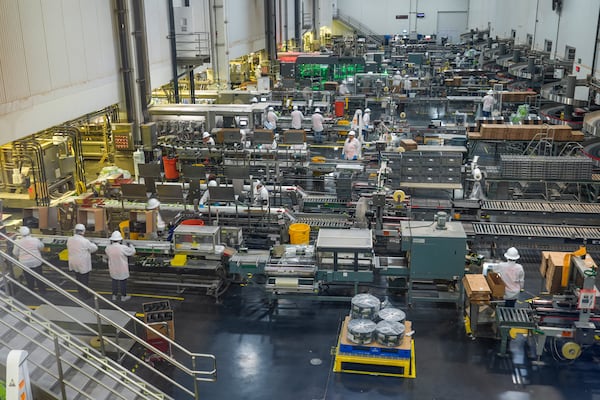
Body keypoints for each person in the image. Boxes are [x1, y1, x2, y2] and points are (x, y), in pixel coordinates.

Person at [67, 224, 98, 299]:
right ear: (83, 232)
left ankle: (80, 293)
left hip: (73, 262)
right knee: (84, 280)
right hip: (82, 263)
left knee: (78, 278)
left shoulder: (70, 239)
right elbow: (94, 248)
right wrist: (93, 244)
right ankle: (84, 295)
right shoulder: (85, 241)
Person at [105, 231, 136, 302]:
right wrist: (131, 245)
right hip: (122, 268)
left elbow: (107, 251)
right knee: (123, 282)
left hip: (113, 268)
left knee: (114, 281)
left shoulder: (108, 248)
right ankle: (123, 296)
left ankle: (114, 296)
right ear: (120, 240)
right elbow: (132, 252)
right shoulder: (123, 248)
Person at [13, 226, 46, 293]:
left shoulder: (18, 242)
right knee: (39, 276)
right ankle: (42, 290)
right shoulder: (35, 240)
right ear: (29, 232)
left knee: (28, 277)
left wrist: (20, 256)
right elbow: (41, 247)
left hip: (25, 263)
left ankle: (31, 290)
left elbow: (15, 252)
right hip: (36, 260)